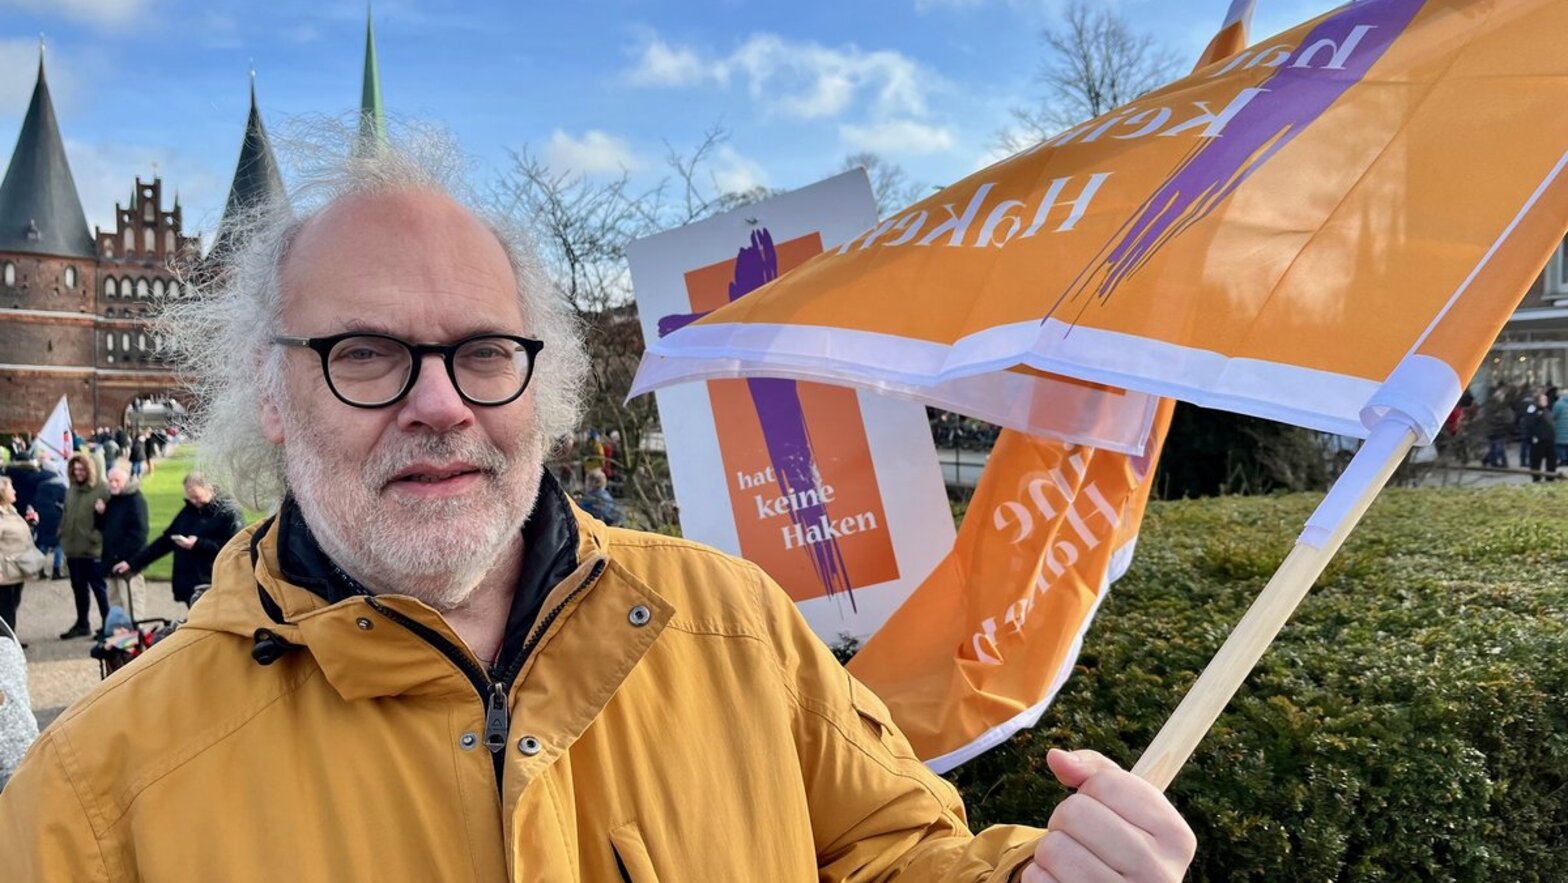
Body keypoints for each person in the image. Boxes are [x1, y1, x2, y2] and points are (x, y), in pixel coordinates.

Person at [0, 136, 1195, 880]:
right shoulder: (95, 794)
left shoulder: (734, 623)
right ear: (270, 390)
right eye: (363, 353)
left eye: (481, 351)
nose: (439, 405)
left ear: (542, 380)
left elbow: (889, 854)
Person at [116, 473, 244, 608]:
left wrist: (199, 544)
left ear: (209, 489)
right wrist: (133, 563)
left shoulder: (228, 513)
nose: (193, 501)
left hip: (213, 580)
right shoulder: (189, 511)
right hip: (189, 581)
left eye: (196, 496)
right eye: (189, 496)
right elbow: (165, 542)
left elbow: (235, 547)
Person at [58, 454, 110, 639]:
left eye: (81, 469)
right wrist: (61, 533)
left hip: (92, 548)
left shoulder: (103, 490)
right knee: (78, 587)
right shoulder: (71, 489)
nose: (77, 473)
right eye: (75, 469)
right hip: (73, 547)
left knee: (98, 588)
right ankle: (82, 623)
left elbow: (110, 520)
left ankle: (107, 624)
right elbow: (66, 514)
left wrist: (96, 535)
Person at [97, 467, 149, 621]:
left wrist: (123, 558)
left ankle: (136, 640)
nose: (113, 484)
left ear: (126, 481)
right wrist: (100, 514)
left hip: (128, 564)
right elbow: (104, 529)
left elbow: (140, 534)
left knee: (132, 606)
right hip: (112, 562)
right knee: (116, 606)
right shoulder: (114, 499)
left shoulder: (135, 500)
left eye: (117, 481)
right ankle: (120, 640)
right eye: (110, 480)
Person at [0, 477, 42, 643]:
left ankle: (11, 638)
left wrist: (30, 524)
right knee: (5, 609)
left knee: (13, 606)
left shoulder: (11, 510)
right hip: (5, 571)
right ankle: (7, 643)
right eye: (11, 489)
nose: (15, 492)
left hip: (18, 568)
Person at [28, 461, 65, 581]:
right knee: (59, 543)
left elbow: (35, 500)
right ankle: (56, 570)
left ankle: (39, 569)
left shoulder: (39, 484)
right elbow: (66, 500)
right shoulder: (59, 484)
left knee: (43, 542)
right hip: (57, 516)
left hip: (42, 516)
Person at [1524, 393, 1558, 482]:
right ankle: (1536, 478)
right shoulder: (1532, 409)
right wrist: (1535, 436)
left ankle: (1550, 477)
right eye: (1543, 400)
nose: (1545, 401)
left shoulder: (1546, 410)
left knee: (1552, 459)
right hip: (1538, 440)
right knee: (1536, 460)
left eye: (1546, 399)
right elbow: (1529, 424)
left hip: (1549, 440)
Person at [1481, 388, 1513, 468]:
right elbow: (1491, 417)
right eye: (1501, 395)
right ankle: (1492, 461)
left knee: (1498, 447)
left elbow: (1507, 415)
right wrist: (1501, 419)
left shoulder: (1502, 405)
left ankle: (1496, 462)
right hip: (1493, 430)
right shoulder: (1491, 405)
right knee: (1497, 448)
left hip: (1500, 430)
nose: (1502, 397)